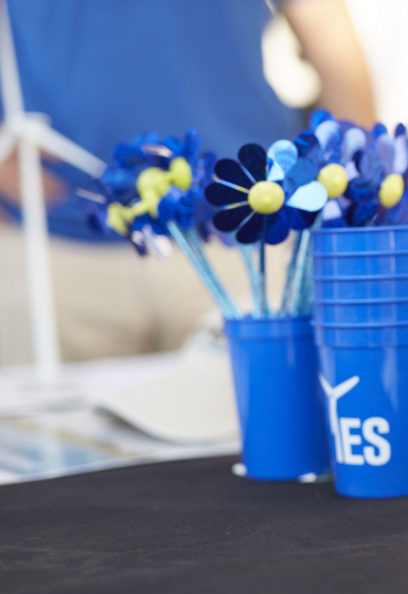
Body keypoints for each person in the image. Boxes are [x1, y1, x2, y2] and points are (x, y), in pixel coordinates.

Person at [0, 0, 376, 364]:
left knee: (265, 421)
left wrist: (350, 215)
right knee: (41, 430)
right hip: (48, 252)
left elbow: (329, 36)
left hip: (244, 244)